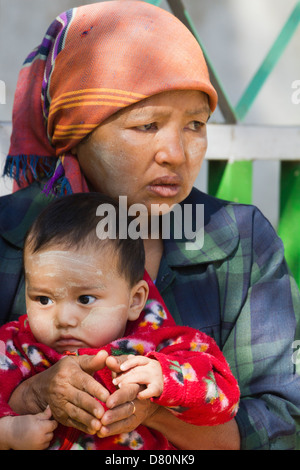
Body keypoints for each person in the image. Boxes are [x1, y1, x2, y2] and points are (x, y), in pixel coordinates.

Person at [0, 0, 299, 450]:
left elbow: (282, 424)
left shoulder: (240, 243)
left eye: (195, 124)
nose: (175, 154)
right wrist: (34, 393)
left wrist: (158, 412)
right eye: (146, 126)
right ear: (79, 133)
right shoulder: (9, 234)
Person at [0, 192, 239, 450]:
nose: (63, 319)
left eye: (85, 299)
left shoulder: (159, 345)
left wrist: (168, 378)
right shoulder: (15, 346)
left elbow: (225, 396)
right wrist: (8, 431)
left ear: (135, 300)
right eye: (44, 299)